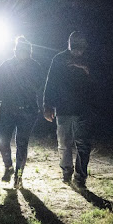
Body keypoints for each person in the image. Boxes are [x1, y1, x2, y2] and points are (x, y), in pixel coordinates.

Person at [42, 31, 95, 189]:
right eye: (74, 48)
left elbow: (101, 82)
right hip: (64, 108)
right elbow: (50, 83)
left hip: (84, 109)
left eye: (80, 49)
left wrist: (86, 69)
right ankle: (66, 171)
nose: (77, 52)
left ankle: (80, 177)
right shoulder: (58, 59)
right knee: (64, 142)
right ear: (69, 45)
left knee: (83, 144)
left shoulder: (89, 60)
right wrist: (47, 105)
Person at [0, 36, 43, 189]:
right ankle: (8, 166)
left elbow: (39, 87)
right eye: (20, 50)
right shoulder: (6, 66)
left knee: (22, 143)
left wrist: (44, 106)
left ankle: (19, 176)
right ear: (15, 50)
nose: (22, 53)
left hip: (28, 111)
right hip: (8, 109)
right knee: (3, 140)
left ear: (30, 52)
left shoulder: (35, 67)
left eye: (26, 51)